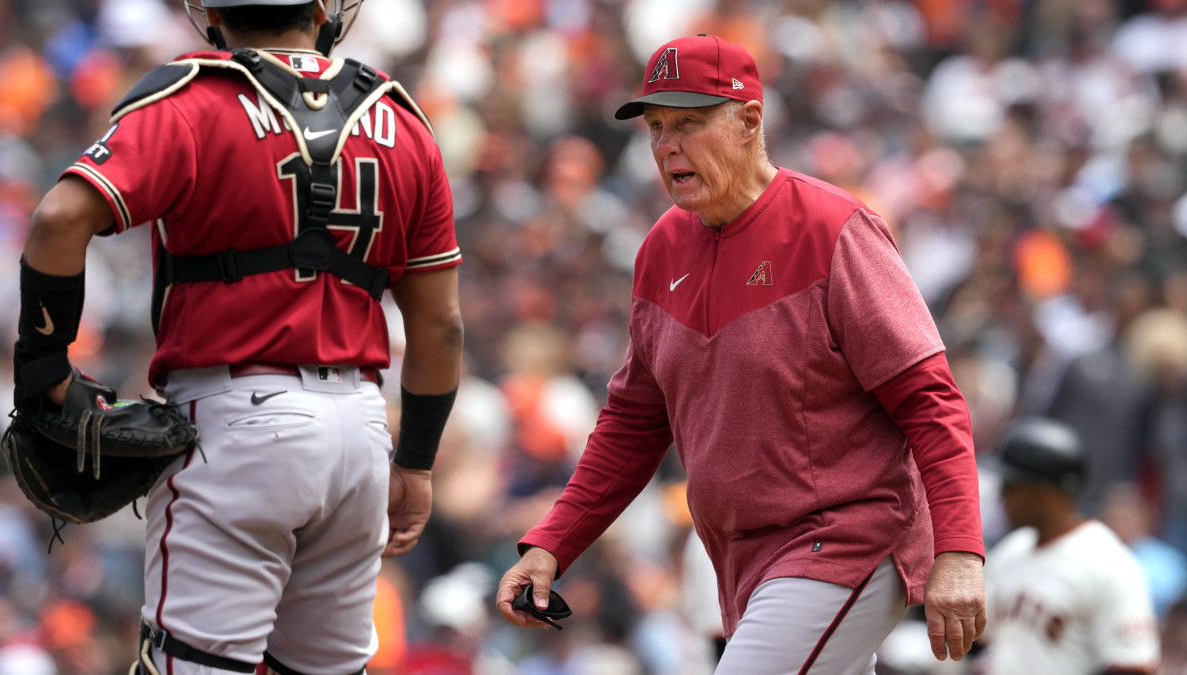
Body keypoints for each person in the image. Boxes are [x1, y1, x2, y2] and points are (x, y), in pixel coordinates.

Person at [496, 34, 986, 673]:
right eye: (656, 127)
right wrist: (552, 545)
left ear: (750, 120)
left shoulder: (833, 229)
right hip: (742, 556)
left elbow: (931, 402)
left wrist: (960, 551)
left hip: (845, 537)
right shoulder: (661, 248)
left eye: (690, 124)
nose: (667, 145)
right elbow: (633, 423)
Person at [12, 1, 463, 673]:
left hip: (236, 422)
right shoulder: (400, 117)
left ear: (212, 9)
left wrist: (42, 373)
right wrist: (418, 463)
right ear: (319, 7)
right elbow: (441, 324)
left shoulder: (194, 96)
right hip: (361, 434)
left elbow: (56, 220)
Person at [981, 417, 1160, 674]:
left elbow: (1134, 666)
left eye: (1011, 486)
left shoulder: (1111, 564)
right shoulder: (1012, 549)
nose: (1001, 496)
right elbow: (981, 640)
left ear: (1043, 493)